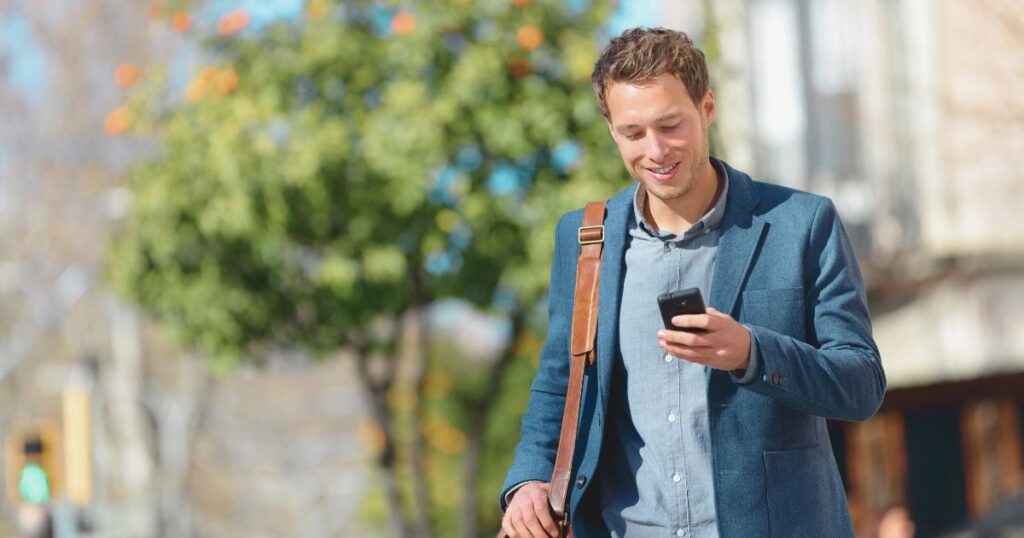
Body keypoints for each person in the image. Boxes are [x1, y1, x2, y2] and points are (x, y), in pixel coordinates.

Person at [499, 27, 885, 537]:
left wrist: (751, 353)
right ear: (612, 131)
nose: (655, 150)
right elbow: (560, 383)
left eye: (670, 125)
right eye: (633, 133)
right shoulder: (584, 239)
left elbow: (861, 385)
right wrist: (527, 481)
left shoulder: (802, 223)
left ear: (706, 108)